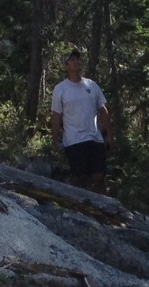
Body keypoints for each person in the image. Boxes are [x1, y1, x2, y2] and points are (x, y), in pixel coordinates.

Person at [51, 48, 113, 194]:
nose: (76, 62)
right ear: (66, 66)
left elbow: (103, 111)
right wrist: (55, 139)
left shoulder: (91, 85)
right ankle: (81, 210)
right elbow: (56, 116)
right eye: (72, 60)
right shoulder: (60, 89)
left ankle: (103, 210)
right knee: (80, 179)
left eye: (78, 59)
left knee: (99, 177)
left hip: (94, 138)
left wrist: (109, 134)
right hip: (74, 141)